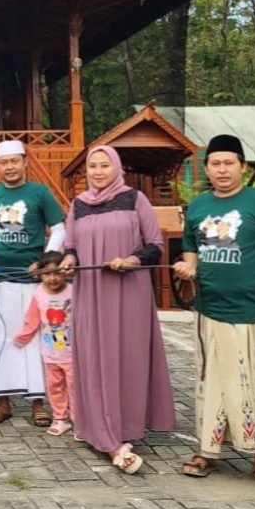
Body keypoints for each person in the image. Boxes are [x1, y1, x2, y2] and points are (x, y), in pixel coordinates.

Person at [172, 135, 255, 489]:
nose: (222, 170)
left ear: (242, 166)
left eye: (229, 163)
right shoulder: (197, 206)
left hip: (254, 310)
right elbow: (192, 252)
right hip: (209, 310)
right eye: (215, 164)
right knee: (209, 383)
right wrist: (187, 268)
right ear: (206, 169)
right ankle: (208, 451)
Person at [58, 144, 174, 474]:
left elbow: (154, 246)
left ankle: (126, 426)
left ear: (116, 168)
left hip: (129, 292)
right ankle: (98, 427)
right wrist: (68, 261)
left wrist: (131, 260)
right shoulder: (78, 204)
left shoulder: (135, 198)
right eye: (92, 166)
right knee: (95, 356)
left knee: (127, 355)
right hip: (91, 293)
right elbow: (72, 246)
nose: (97, 172)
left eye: (104, 166)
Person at [0, 139, 66, 427]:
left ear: (25, 162)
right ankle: (2, 403)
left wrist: (43, 261)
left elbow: (59, 228)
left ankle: (38, 403)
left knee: (34, 339)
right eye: (4, 162)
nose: (10, 167)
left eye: (14, 161)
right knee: (0, 340)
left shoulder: (39, 192)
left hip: (31, 283)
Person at [12, 250, 74, 436]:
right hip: (50, 354)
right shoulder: (38, 294)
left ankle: (80, 421)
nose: (53, 278)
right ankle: (60, 418)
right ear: (40, 275)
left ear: (66, 271)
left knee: (75, 389)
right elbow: (32, 319)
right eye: (47, 273)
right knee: (55, 388)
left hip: (73, 354)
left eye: (57, 273)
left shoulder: (74, 292)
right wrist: (22, 337)